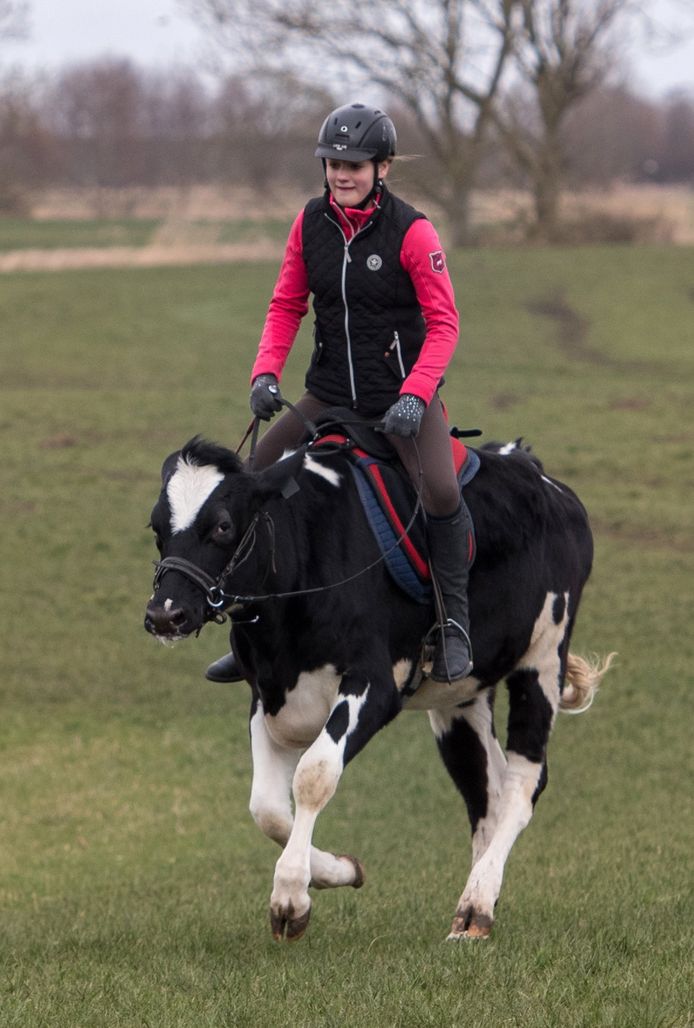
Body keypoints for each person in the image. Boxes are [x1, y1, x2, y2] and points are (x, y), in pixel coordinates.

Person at [207, 101, 473, 685]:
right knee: (253, 475)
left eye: (354, 164)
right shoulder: (309, 224)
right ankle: (247, 632)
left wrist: (415, 394)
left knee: (444, 492)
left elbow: (445, 324)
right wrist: (264, 374)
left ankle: (453, 624)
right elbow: (286, 305)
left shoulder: (414, 231)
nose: (341, 174)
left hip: (401, 399)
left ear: (383, 167)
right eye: (332, 163)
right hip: (329, 394)